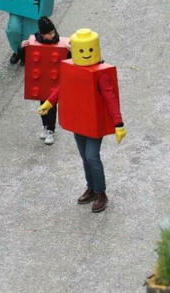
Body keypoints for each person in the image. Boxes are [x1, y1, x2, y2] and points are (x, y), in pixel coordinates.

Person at [39, 29, 125, 213]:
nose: (85, 54)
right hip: (79, 120)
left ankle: (101, 193)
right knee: (85, 156)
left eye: (89, 50)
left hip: (94, 123)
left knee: (92, 156)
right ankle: (91, 188)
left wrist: (118, 123)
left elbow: (110, 98)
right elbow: (63, 86)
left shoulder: (101, 74)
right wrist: (49, 102)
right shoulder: (72, 69)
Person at [20, 17, 67, 145]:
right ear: (42, 34)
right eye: (49, 33)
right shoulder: (35, 42)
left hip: (54, 82)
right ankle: (45, 125)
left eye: (53, 32)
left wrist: (70, 51)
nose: (53, 35)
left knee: (51, 106)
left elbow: (69, 61)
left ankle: (51, 129)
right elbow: (24, 58)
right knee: (42, 104)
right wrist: (22, 48)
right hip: (42, 81)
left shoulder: (59, 43)